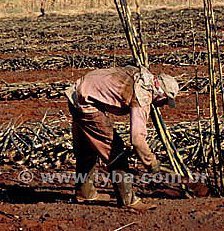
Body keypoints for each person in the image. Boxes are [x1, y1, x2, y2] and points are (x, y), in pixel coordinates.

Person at [65, 65, 179, 210]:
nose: (162, 105)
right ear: (160, 93)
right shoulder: (142, 95)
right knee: (115, 150)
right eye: (164, 101)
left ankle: (85, 192)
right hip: (85, 103)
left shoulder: (142, 76)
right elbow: (137, 140)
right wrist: (152, 163)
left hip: (77, 93)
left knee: (88, 146)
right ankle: (128, 201)